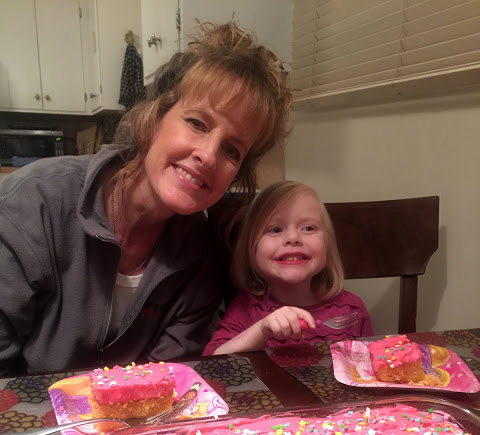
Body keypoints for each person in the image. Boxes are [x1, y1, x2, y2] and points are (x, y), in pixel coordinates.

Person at [0, 21, 292, 376]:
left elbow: (169, 378)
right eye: (198, 123)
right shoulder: (34, 203)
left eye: (231, 149)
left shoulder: (199, 258)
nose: (208, 155)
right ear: (154, 117)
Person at [202, 181, 373, 355]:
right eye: (275, 229)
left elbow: (369, 367)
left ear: (327, 246)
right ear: (252, 249)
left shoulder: (352, 309)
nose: (293, 238)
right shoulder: (247, 308)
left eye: (308, 227)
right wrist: (261, 330)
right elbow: (212, 360)